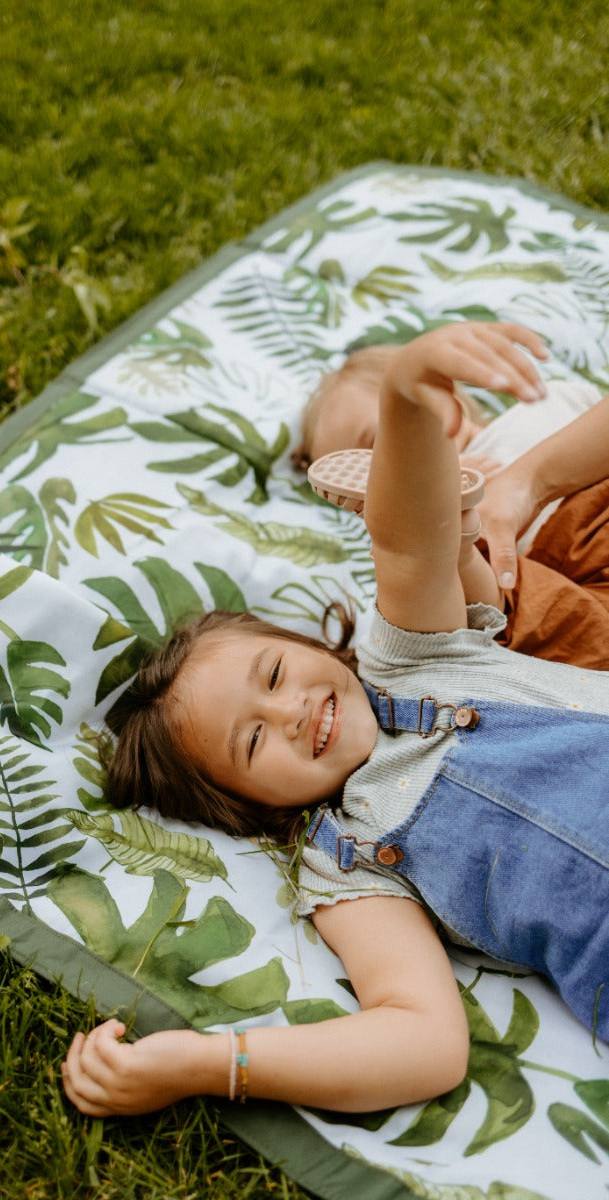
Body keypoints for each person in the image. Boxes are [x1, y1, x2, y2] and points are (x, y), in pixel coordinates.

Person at [62, 323, 609, 1120]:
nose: (289, 712)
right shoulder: (345, 861)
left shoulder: (410, 662)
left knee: (449, 548)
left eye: (276, 673)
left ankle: (465, 529)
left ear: (318, 646)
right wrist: (209, 1063)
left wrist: (408, 390)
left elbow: (405, 545)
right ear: (249, 804)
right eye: (252, 741)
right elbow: (423, 1044)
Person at [295, 339, 609, 670]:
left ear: (441, 395)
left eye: (378, 444)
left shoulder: (547, 403)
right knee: (520, 617)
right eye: (367, 482)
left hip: (594, 504)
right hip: (561, 580)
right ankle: (449, 530)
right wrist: (441, 514)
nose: (385, 478)